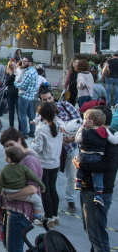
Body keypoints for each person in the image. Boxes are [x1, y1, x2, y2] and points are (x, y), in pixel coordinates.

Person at [73, 105, 117, 252]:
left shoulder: (108, 137)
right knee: (92, 231)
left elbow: (108, 164)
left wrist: (82, 164)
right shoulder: (95, 134)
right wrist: (78, 161)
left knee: (97, 235)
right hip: (88, 188)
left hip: (98, 191)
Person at [0, 128, 43, 252]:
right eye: (6, 147)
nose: (9, 149)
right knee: (10, 247)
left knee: (14, 249)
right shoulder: (18, 157)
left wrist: (11, 196)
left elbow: (32, 188)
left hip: (20, 213)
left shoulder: (29, 160)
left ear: (20, 140)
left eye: (11, 145)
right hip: (15, 210)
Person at [39, 86, 81, 213]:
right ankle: (53, 203)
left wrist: (72, 139)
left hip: (71, 146)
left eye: (50, 98)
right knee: (53, 178)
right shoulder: (41, 113)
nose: (48, 101)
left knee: (72, 175)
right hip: (53, 151)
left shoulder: (66, 106)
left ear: (53, 98)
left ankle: (71, 200)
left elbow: (79, 123)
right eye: (45, 100)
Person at [74, 108, 118, 207]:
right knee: (97, 175)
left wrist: (80, 164)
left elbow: (108, 165)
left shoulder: (87, 131)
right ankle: (98, 192)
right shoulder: (107, 133)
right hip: (101, 187)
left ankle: (78, 181)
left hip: (90, 188)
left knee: (93, 221)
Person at [30, 102, 63, 224]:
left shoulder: (41, 129)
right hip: (55, 162)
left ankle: (48, 217)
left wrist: (32, 143)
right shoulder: (60, 125)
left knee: (45, 190)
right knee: (53, 188)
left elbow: (38, 148)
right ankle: (55, 215)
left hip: (43, 163)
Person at [0, 147, 46, 221]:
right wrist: (42, 186)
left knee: (2, 194)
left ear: (9, 160)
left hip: (7, 189)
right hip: (18, 190)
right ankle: (37, 216)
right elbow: (35, 178)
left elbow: (0, 182)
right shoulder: (24, 168)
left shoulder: (4, 169)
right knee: (38, 200)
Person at [13, 56, 39, 138]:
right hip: (31, 96)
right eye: (22, 61)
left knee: (22, 115)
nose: (23, 63)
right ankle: (32, 132)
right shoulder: (34, 71)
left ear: (30, 63)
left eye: (25, 61)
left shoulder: (28, 73)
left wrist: (15, 83)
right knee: (31, 114)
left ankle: (24, 133)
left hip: (24, 96)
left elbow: (22, 85)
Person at [4, 61, 19, 130]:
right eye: (12, 65)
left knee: (19, 112)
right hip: (10, 94)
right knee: (11, 111)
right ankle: (11, 126)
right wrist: (11, 75)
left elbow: (18, 80)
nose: (13, 66)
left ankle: (20, 127)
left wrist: (14, 74)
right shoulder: (8, 73)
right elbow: (6, 83)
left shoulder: (19, 72)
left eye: (14, 65)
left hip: (18, 94)